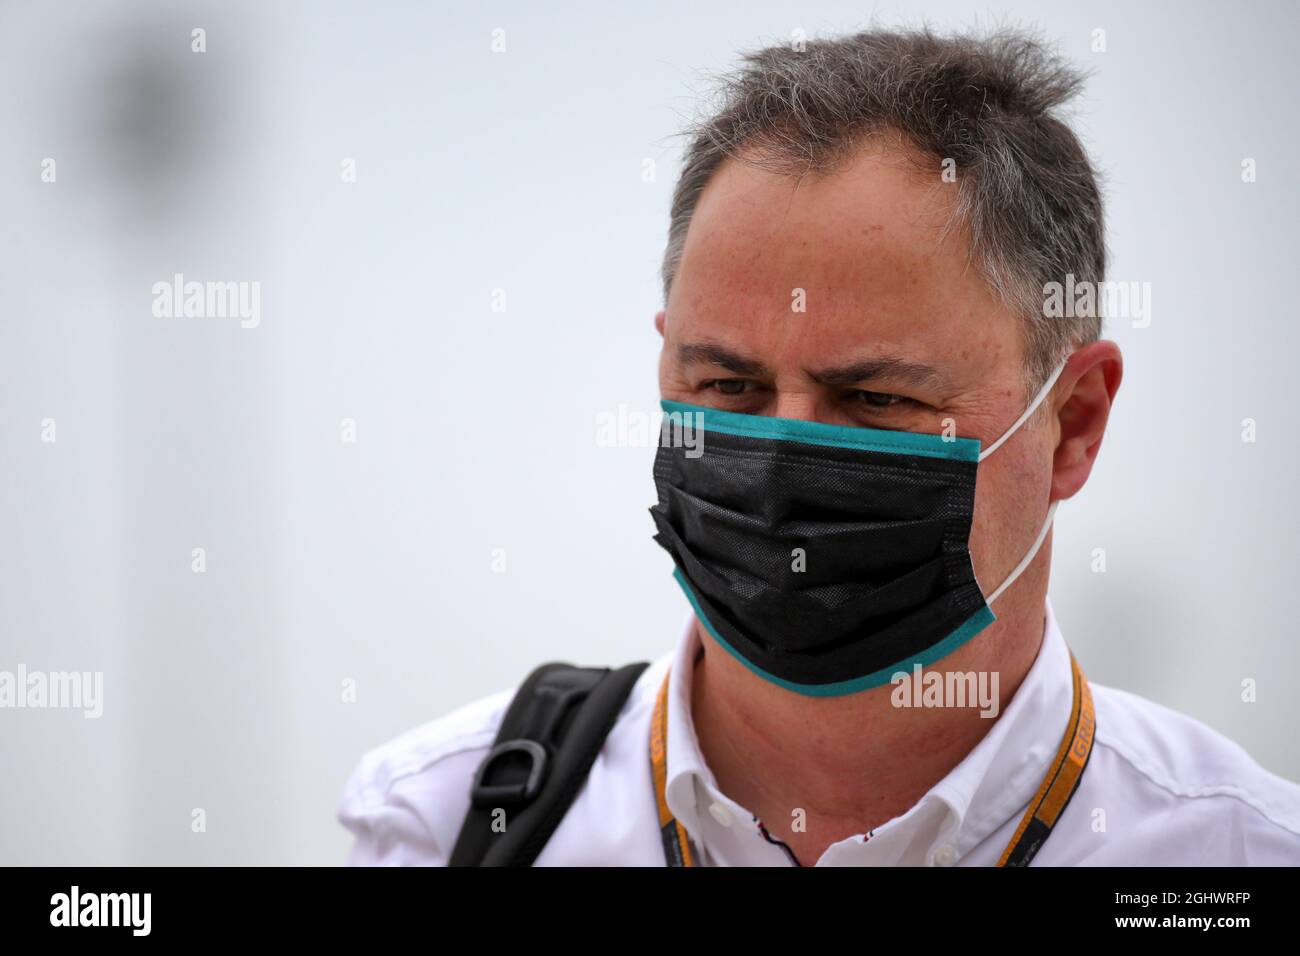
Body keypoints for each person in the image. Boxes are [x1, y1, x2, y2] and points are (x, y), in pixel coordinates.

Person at [337, 26, 1300, 866]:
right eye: (729, 387)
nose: (780, 458)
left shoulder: (1232, 857)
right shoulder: (447, 826)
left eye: (874, 397)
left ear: (1074, 423)